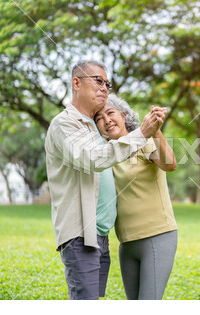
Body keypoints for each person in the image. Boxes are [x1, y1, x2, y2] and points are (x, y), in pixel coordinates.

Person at [45, 60, 166, 300]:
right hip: (80, 235)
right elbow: (92, 158)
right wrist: (141, 133)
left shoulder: (94, 128)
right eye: (98, 81)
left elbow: (163, 161)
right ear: (76, 83)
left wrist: (151, 132)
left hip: (100, 236)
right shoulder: (65, 124)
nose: (104, 88)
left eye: (107, 84)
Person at [94, 93, 178, 300]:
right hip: (127, 243)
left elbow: (170, 164)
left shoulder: (144, 142)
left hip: (157, 236)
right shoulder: (105, 154)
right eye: (99, 119)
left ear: (123, 115)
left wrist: (155, 132)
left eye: (110, 113)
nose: (106, 121)